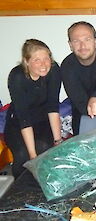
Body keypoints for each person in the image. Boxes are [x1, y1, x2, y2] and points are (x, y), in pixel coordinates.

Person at [4, 39, 62, 179]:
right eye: (37, 60)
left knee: (44, 148)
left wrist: (58, 142)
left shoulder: (54, 70)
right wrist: (32, 156)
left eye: (46, 58)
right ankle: (19, 193)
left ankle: (43, 190)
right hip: (18, 123)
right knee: (23, 155)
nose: (43, 64)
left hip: (42, 122)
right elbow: (24, 118)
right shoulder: (17, 76)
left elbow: (53, 107)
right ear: (27, 61)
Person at [61, 21, 96, 135]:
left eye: (87, 39)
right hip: (84, 115)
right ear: (70, 45)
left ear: (95, 41)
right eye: (76, 41)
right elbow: (80, 103)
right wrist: (93, 105)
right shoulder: (67, 65)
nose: (82, 46)